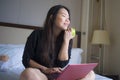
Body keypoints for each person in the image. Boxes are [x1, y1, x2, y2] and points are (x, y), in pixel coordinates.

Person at [20, 5, 95, 80]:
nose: (68, 20)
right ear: (52, 17)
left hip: (58, 75)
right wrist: (45, 69)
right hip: (41, 74)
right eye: (64, 16)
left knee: (90, 73)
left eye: (68, 18)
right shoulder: (36, 34)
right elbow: (26, 59)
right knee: (28, 73)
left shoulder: (67, 37)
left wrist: (66, 40)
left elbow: (62, 64)